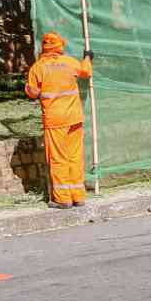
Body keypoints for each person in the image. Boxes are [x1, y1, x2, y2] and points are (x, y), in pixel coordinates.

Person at [24, 31, 94, 207]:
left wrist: (29, 87)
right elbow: (86, 72)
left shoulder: (38, 67)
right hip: (74, 117)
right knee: (75, 157)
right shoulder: (70, 62)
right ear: (60, 45)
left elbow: (32, 93)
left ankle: (63, 199)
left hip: (55, 120)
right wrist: (87, 58)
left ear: (44, 47)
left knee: (58, 158)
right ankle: (78, 196)